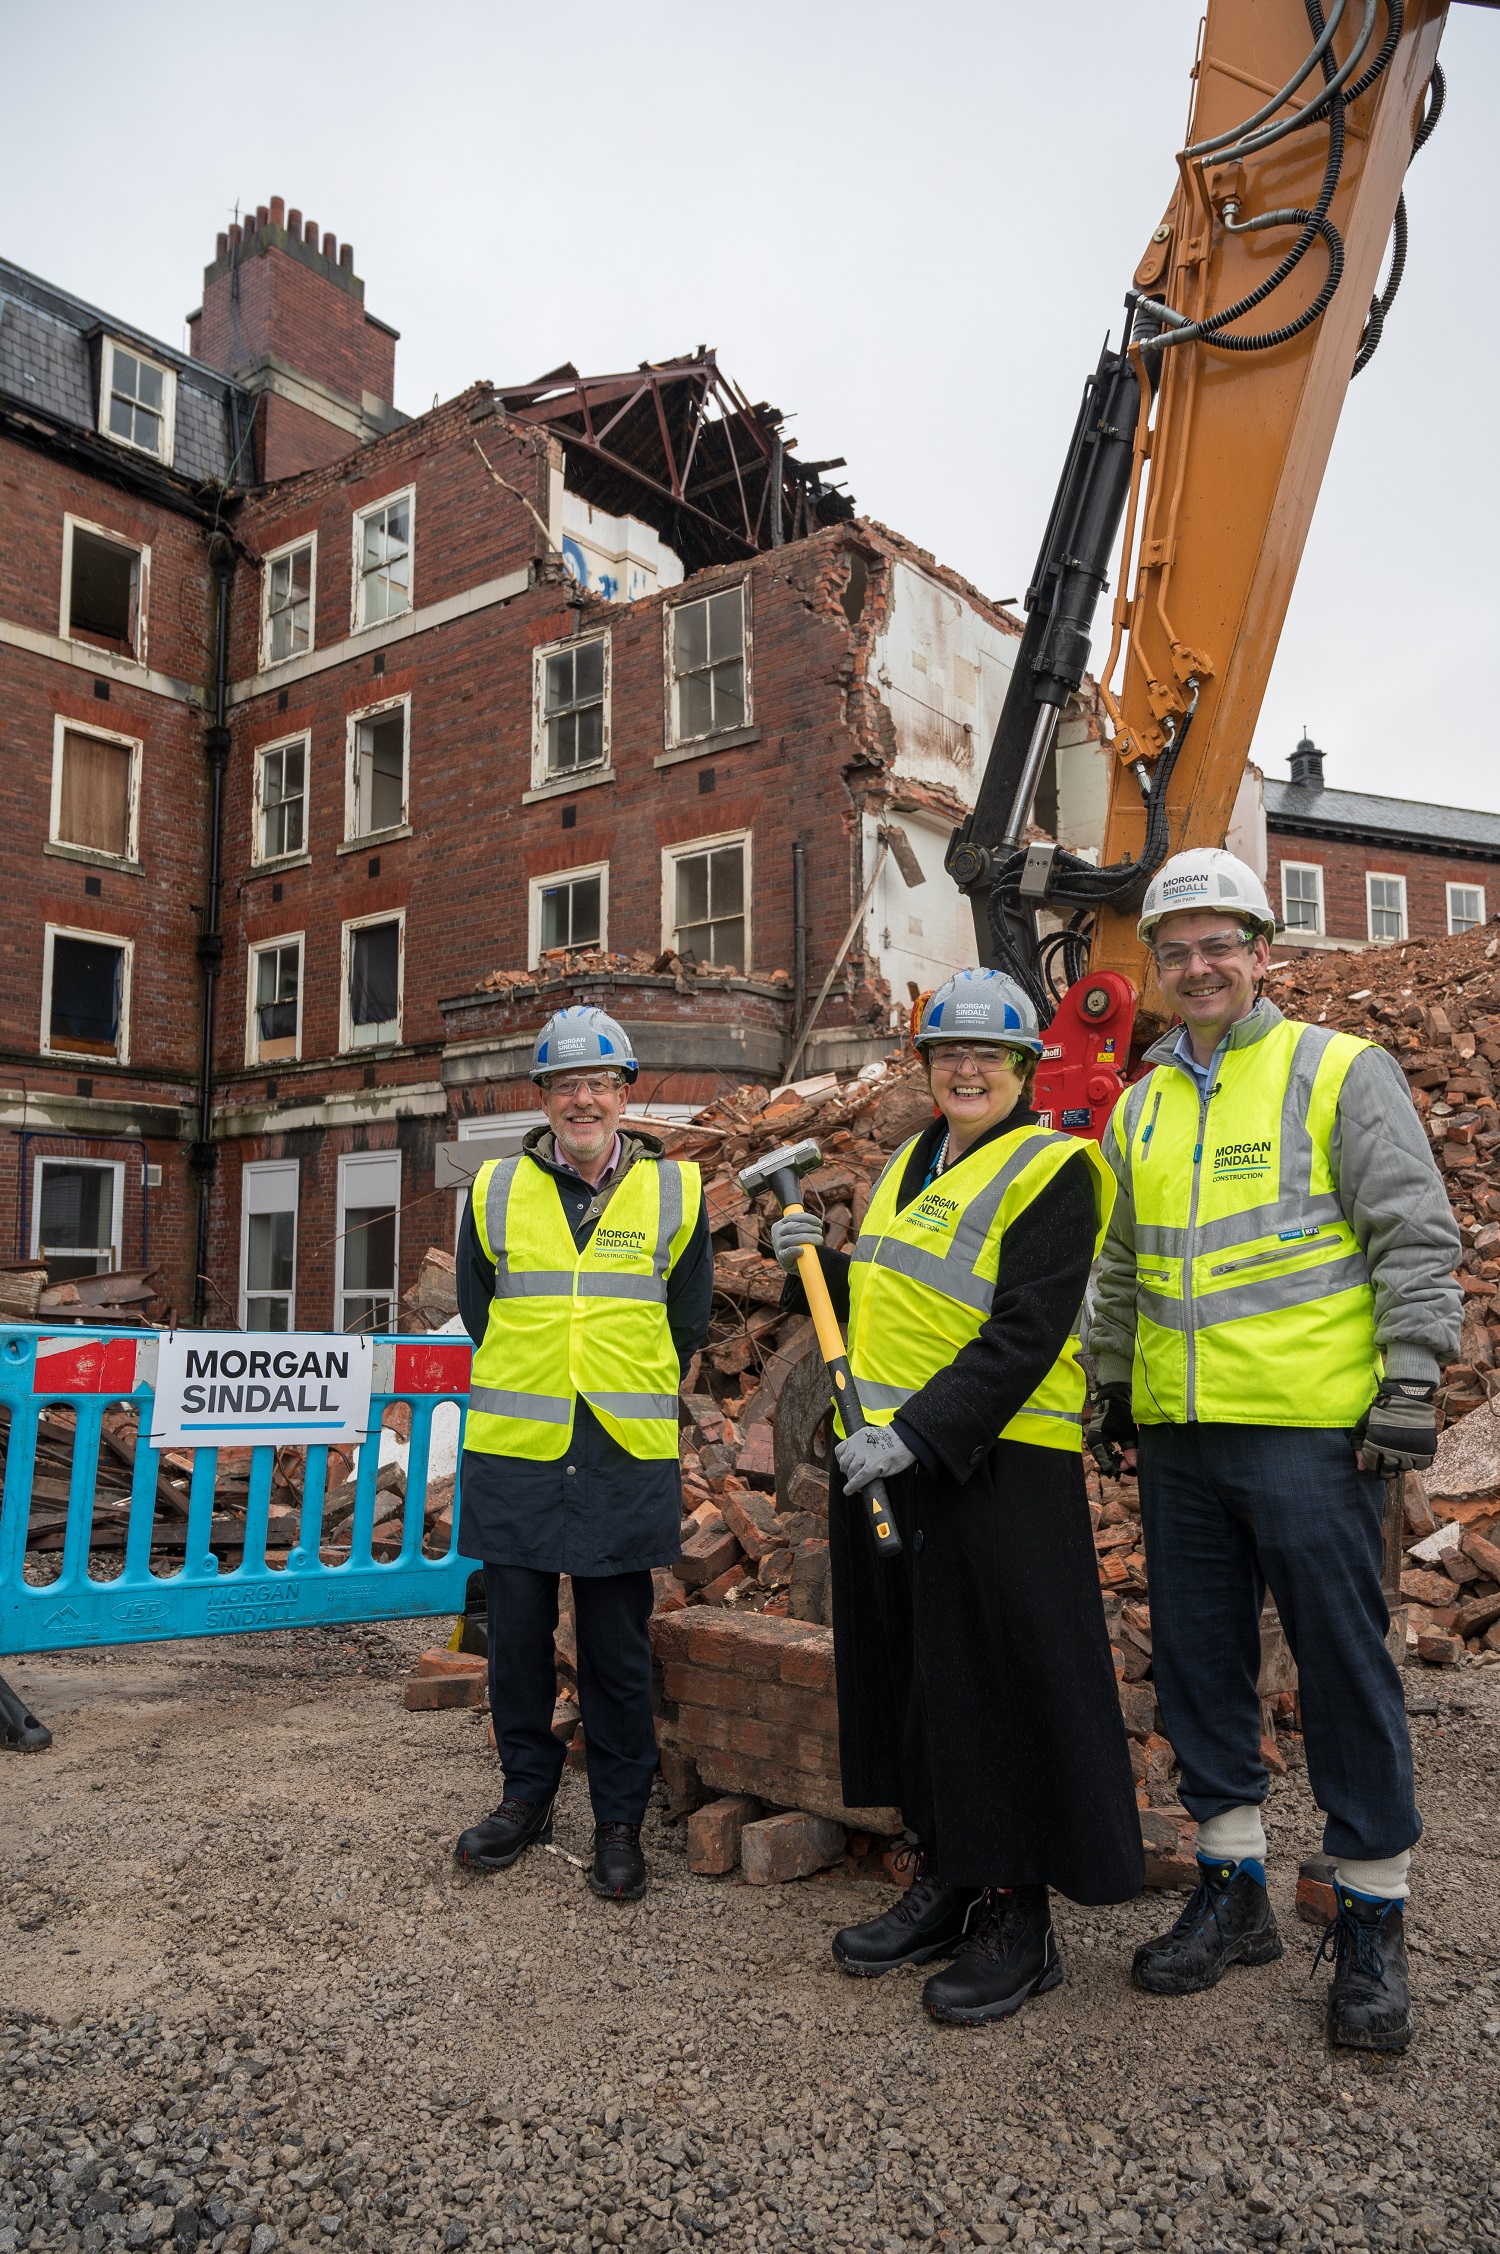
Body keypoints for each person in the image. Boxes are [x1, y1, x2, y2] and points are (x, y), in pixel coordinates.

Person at [1087, 848, 1462, 2051]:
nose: (1199, 967)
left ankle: (1372, 1916)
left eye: (1219, 944)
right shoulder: (1141, 1103)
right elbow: (1120, 1262)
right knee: (1200, 1666)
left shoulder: (1336, 1070)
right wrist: (1109, 1376)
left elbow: (1412, 1230)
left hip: (1311, 1435)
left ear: (1262, 950)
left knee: (1343, 1668)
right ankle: (1232, 1887)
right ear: (1157, 967)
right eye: (1177, 951)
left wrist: (1413, 1376)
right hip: (1183, 1437)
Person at [773, 968, 1144, 2025]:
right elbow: (899, 1297)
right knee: (919, 1678)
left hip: (993, 1466)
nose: (968, 1069)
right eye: (949, 1053)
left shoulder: (1057, 1169)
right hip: (887, 1458)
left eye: (990, 1055)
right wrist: (820, 1266)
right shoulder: (912, 1162)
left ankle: (1018, 1921)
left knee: (1000, 1684)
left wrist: (921, 1436)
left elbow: (1024, 1332)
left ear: (1026, 1067)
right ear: (927, 1065)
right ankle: (948, 1874)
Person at [452, 1005, 712, 1901]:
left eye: (599, 1082)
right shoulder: (494, 1189)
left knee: (615, 1649)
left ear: (625, 1094)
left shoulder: (675, 1192)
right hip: (518, 1448)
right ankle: (524, 1798)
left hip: (620, 1448)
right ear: (544, 1097)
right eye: (565, 1084)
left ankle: (618, 1822)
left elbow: (687, 1321)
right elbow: (481, 1310)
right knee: (517, 1642)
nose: (583, 1099)